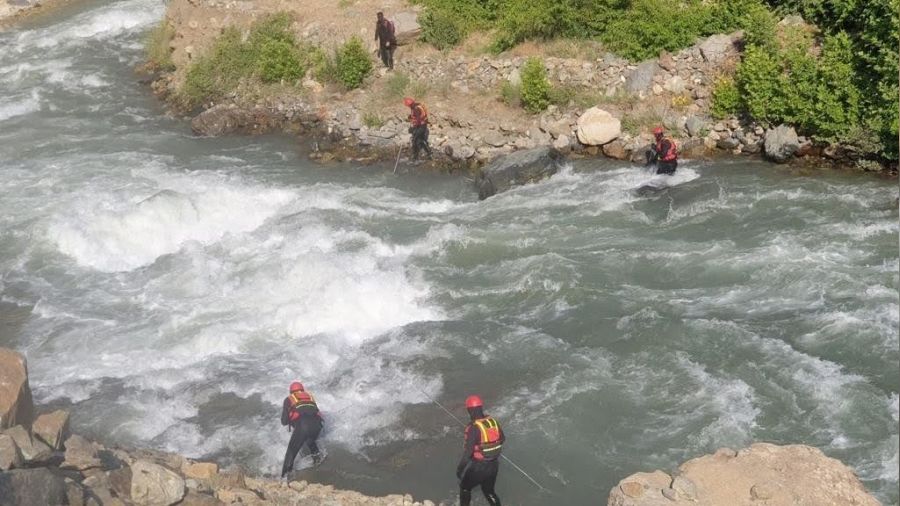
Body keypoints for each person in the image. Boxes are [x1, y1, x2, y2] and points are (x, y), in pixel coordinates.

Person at [457, 395, 504, 506]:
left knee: (465, 488)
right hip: (494, 465)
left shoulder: (473, 427)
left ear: (470, 410)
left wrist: (460, 469)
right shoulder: (493, 422)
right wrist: (490, 445)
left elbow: (468, 453)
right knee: (489, 491)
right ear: (481, 408)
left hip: (479, 466)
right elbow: (502, 439)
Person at [280, 381, 323, 477]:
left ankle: (284, 478)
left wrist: (291, 416)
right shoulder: (310, 397)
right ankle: (319, 470)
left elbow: (284, 421)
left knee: (291, 453)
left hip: (303, 425)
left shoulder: (289, 399)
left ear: (291, 392)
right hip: (318, 425)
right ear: (302, 390)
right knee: (311, 443)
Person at [404, 97, 432, 161]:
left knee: (415, 140)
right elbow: (418, 116)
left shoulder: (416, 109)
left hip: (421, 126)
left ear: (409, 105)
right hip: (423, 125)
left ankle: (415, 156)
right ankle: (429, 153)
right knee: (421, 139)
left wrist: (414, 128)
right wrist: (411, 117)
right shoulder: (417, 105)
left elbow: (418, 120)